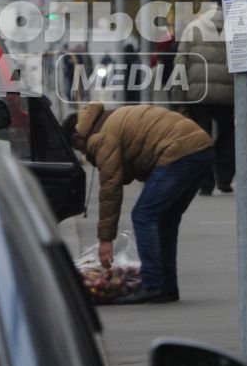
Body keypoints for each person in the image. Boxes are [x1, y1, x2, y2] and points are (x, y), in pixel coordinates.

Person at [66, 102, 214, 304]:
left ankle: (153, 285)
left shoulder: (99, 137)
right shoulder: (107, 118)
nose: (84, 153)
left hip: (178, 152)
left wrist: (106, 240)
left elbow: (111, 186)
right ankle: (167, 287)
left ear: (77, 137)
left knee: (143, 216)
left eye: (79, 149)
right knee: (166, 220)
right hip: (201, 149)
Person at [172, 5, 235, 194]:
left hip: (197, 93)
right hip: (227, 94)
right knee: (227, 136)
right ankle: (224, 178)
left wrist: (179, 100)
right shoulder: (234, 28)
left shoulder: (194, 28)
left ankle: (205, 182)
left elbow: (180, 63)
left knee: (201, 138)